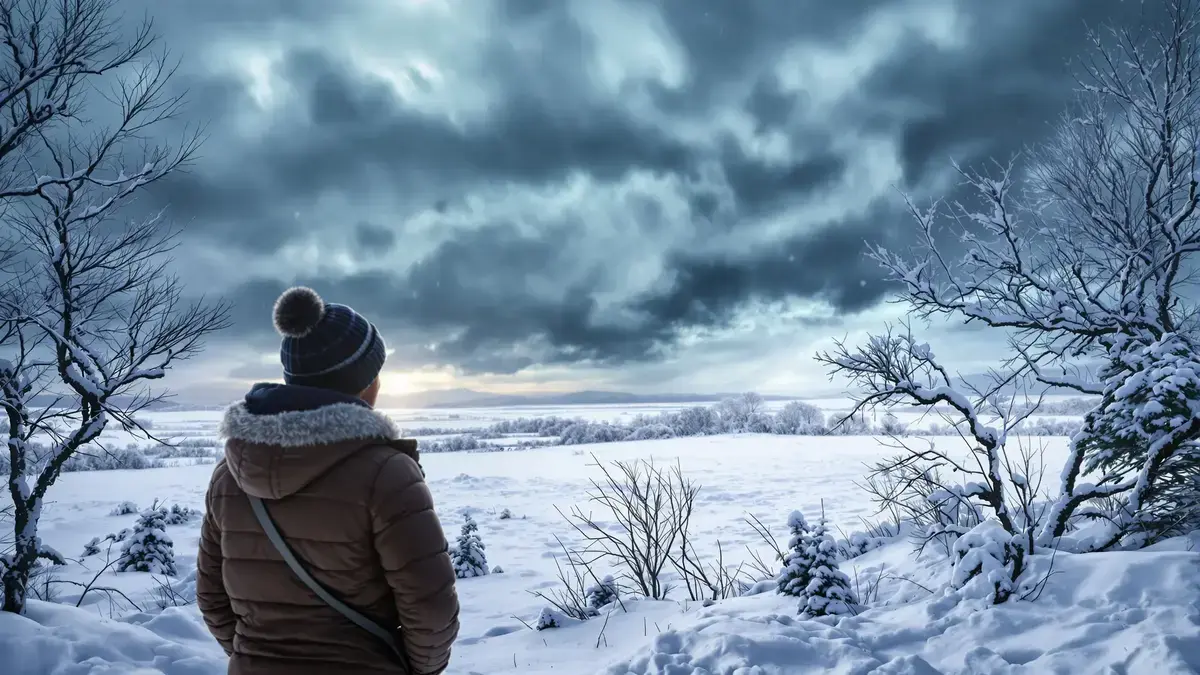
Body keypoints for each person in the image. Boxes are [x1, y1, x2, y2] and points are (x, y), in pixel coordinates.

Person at [197, 286, 459, 675]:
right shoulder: (387, 474)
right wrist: (415, 668)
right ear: (367, 383)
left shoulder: (231, 472)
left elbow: (212, 598)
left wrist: (257, 655)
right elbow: (431, 609)